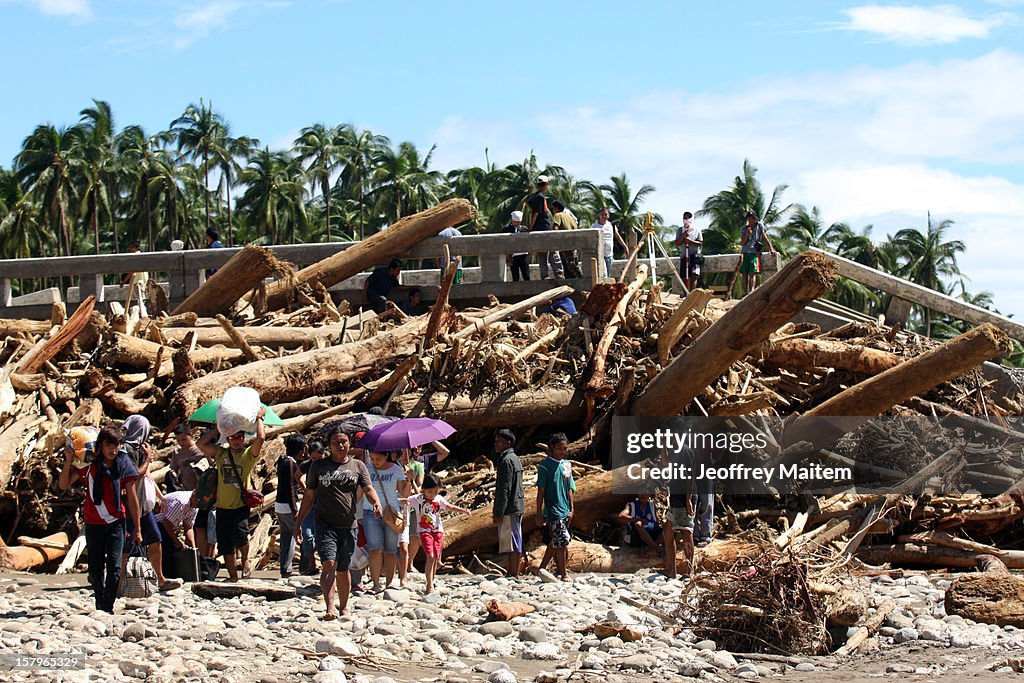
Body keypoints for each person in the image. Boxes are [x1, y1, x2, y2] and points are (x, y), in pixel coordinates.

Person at [294, 428, 383, 620]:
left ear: (349, 444)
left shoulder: (358, 466)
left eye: (343, 442)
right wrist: (298, 522)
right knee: (328, 563)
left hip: (348, 525)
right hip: (325, 524)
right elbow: (309, 495)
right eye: (336, 442)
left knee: (343, 568)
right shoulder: (319, 467)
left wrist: (376, 502)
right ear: (329, 446)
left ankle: (344, 607)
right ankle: (330, 608)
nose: (340, 445)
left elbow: (368, 487)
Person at [59, 426, 142, 613]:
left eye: (116, 445)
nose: (112, 450)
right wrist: (68, 461)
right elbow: (64, 484)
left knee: (114, 567)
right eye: (108, 445)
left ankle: (107, 607)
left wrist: (137, 527)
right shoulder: (89, 465)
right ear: (101, 446)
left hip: (117, 522)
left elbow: (132, 497)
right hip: (93, 523)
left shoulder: (123, 464)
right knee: (95, 570)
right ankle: (99, 598)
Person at [197, 407, 266, 582]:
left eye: (239, 437)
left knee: (240, 534)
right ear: (228, 438)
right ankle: (233, 576)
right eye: (232, 438)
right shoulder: (221, 453)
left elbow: (261, 438)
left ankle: (245, 559)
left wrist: (259, 418)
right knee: (225, 543)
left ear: (243, 438)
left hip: (240, 505)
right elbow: (200, 445)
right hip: (222, 506)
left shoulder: (247, 455)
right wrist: (217, 427)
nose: (236, 441)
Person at [120, 415, 182, 592]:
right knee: (127, 544)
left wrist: (160, 497)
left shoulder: (139, 449)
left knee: (155, 539)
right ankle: (118, 583)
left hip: (143, 506)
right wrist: (147, 459)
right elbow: (132, 476)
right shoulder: (127, 450)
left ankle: (160, 578)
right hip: (130, 504)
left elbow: (146, 476)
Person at [401, 473, 470, 594]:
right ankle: (429, 584)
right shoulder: (418, 499)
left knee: (436, 557)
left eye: (435, 492)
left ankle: (431, 581)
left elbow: (449, 507)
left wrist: (462, 510)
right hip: (424, 531)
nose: (433, 495)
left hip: (437, 531)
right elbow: (405, 500)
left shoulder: (438, 499)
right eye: (430, 492)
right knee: (430, 556)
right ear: (424, 490)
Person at [363, 450, 408, 592]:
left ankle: (389, 582)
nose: (375, 461)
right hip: (370, 511)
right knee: (375, 549)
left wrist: (410, 480)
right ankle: (375, 583)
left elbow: (404, 493)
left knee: (390, 550)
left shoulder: (396, 470)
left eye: (378, 458)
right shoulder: (366, 469)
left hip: (391, 513)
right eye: (372, 458)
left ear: (386, 456)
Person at [535, 433, 575, 581]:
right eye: (559, 448)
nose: (562, 452)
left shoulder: (567, 465)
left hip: (565, 509)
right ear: (552, 447)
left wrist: (572, 508)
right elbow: (541, 491)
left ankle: (542, 569)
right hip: (553, 509)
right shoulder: (545, 466)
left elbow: (570, 488)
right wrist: (538, 513)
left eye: (565, 449)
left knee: (557, 541)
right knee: (562, 540)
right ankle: (564, 574)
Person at [492, 430, 524, 578]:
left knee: (512, 541)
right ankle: (513, 572)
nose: (496, 444)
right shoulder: (515, 458)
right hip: (517, 505)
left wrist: (498, 513)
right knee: (515, 538)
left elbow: (504, 489)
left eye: (499, 441)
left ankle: (513, 573)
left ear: (508, 443)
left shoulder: (506, 461)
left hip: (510, 507)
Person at [276, 434, 307, 578]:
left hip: (279, 506)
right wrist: (295, 509)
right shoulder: (290, 463)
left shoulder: (282, 460)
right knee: (300, 536)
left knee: (286, 538)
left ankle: (285, 568)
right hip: (289, 507)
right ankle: (306, 566)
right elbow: (290, 488)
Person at [155, 489, 198, 579]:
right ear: (194, 497)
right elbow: (166, 522)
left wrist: (193, 547)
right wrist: (177, 541)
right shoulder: (181, 502)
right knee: (168, 548)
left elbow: (189, 527)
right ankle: (165, 577)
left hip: (170, 524)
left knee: (178, 548)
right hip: (159, 522)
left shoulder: (195, 506)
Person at [527, 175, 564, 280]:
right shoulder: (541, 197)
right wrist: (531, 226)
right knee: (550, 252)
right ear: (546, 185)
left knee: (544, 253)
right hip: (544, 228)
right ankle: (556, 274)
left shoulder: (536, 196)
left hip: (541, 228)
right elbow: (536, 213)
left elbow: (528, 203)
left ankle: (547, 275)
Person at [397, 448, 425, 587]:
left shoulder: (417, 466)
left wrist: (411, 479)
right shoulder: (394, 466)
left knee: (415, 537)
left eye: (405, 450)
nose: (403, 453)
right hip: (399, 506)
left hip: (414, 506)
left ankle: (409, 563)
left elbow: (419, 490)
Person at [298, 439, 325, 575]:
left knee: (323, 536)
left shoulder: (329, 465)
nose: (316, 461)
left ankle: (326, 565)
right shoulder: (307, 465)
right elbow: (298, 475)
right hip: (310, 504)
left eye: (319, 458)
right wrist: (306, 489)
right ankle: (312, 564)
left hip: (324, 505)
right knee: (307, 536)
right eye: (313, 458)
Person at [740, 210, 776, 295]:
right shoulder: (744, 229)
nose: (750, 220)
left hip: (754, 251)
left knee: (752, 272)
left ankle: (752, 291)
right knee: (745, 272)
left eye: (752, 218)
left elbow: (764, 237)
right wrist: (747, 234)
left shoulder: (759, 226)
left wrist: (771, 248)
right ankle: (746, 291)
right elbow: (742, 243)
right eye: (749, 218)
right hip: (745, 251)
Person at [167, 424, 203, 493]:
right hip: (185, 490)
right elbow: (173, 468)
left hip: (201, 489)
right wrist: (174, 474)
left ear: (191, 435)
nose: (181, 443)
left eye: (184, 439)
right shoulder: (177, 452)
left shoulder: (200, 449)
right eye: (178, 440)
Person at [551, 199, 582, 278]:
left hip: (565, 245)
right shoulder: (569, 217)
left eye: (553, 208)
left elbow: (556, 228)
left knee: (570, 266)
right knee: (573, 264)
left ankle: (581, 279)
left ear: (556, 208)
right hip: (573, 244)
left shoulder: (557, 215)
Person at [593, 208, 628, 279]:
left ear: (608, 215)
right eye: (602, 214)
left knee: (608, 274)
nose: (604, 216)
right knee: (604, 274)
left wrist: (625, 246)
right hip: (600, 254)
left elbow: (617, 236)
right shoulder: (594, 226)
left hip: (609, 254)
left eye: (606, 214)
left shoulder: (611, 225)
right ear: (599, 215)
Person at [674, 211, 703, 291]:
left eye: (688, 218)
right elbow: (677, 243)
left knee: (694, 275)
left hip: (695, 256)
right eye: (684, 218)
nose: (686, 219)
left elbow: (700, 243)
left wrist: (690, 241)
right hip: (684, 256)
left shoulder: (697, 230)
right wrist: (683, 236)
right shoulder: (680, 230)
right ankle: (685, 294)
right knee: (684, 276)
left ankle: (692, 294)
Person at [506, 210, 531, 282]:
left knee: (526, 275)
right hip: (513, 256)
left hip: (524, 255)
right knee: (515, 277)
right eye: (515, 222)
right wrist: (508, 257)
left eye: (518, 222)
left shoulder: (524, 229)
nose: (516, 224)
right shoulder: (507, 229)